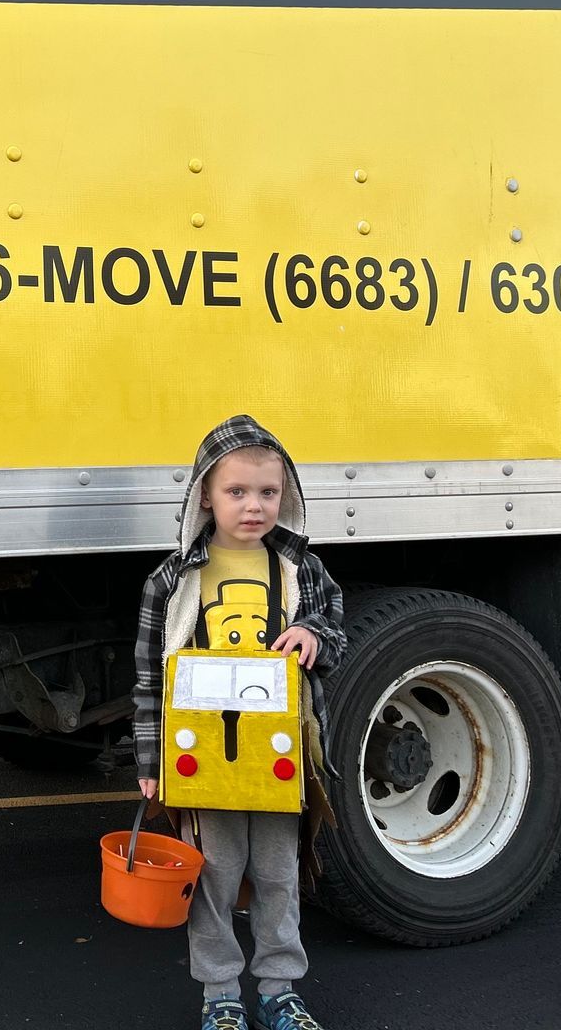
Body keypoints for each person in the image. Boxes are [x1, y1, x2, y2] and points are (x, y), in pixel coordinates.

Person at [133, 415, 350, 1030]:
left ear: (286, 496)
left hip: (276, 757)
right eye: (237, 492)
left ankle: (280, 989)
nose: (254, 507)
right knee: (215, 876)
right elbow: (151, 678)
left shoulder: (300, 567)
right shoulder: (172, 580)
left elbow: (336, 626)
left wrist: (312, 633)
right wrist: (152, 766)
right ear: (206, 494)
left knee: (281, 875)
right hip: (203, 759)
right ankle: (220, 993)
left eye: (268, 493)